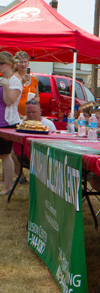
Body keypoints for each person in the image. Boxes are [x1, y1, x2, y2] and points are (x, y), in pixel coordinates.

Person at [0, 52, 21, 195]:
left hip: (6, 123)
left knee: (5, 155)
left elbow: (9, 101)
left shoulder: (15, 81)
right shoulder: (3, 79)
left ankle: (7, 186)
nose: (0, 67)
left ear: (9, 65)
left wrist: (6, 86)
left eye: (1, 64)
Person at [14, 51, 39, 117]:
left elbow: (37, 96)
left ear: (28, 63)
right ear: (16, 63)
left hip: (30, 115)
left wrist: (35, 100)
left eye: (25, 62)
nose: (23, 64)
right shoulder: (13, 78)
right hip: (15, 115)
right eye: (20, 62)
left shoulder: (34, 79)